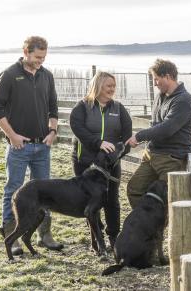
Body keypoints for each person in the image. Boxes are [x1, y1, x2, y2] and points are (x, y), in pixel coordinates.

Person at [0, 36, 63, 255]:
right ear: (26, 52)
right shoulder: (10, 75)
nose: (40, 61)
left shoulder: (46, 76)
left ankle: (44, 235)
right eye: (37, 57)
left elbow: (53, 107)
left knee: (46, 192)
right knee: (13, 189)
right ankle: (12, 237)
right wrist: (12, 136)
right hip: (19, 148)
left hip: (42, 147)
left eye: (43, 57)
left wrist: (53, 131)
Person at [70, 71, 132, 250]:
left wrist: (117, 154)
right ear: (98, 87)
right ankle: (96, 238)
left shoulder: (119, 109)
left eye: (114, 86)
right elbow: (78, 129)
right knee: (89, 201)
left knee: (112, 199)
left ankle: (113, 237)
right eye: (108, 86)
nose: (112, 89)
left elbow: (127, 137)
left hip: (110, 165)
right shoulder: (82, 107)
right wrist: (98, 143)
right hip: (85, 162)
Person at [126, 59, 191, 207]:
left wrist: (139, 136)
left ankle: (159, 228)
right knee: (134, 189)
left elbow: (167, 128)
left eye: (157, 79)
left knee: (168, 200)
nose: (155, 84)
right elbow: (155, 123)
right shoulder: (160, 97)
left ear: (168, 77)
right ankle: (146, 226)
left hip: (171, 158)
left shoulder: (183, 100)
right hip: (152, 154)